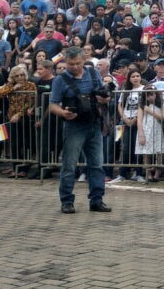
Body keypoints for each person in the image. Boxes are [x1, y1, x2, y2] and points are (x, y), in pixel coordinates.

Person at [48, 46, 111, 214]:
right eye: (71, 64)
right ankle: (67, 201)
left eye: (77, 63)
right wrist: (62, 112)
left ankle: (97, 200)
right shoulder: (60, 80)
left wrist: (104, 99)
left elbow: (104, 95)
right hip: (73, 125)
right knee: (69, 165)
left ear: (83, 60)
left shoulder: (93, 73)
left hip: (94, 124)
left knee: (97, 164)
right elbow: (52, 104)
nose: (74, 67)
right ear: (65, 62)